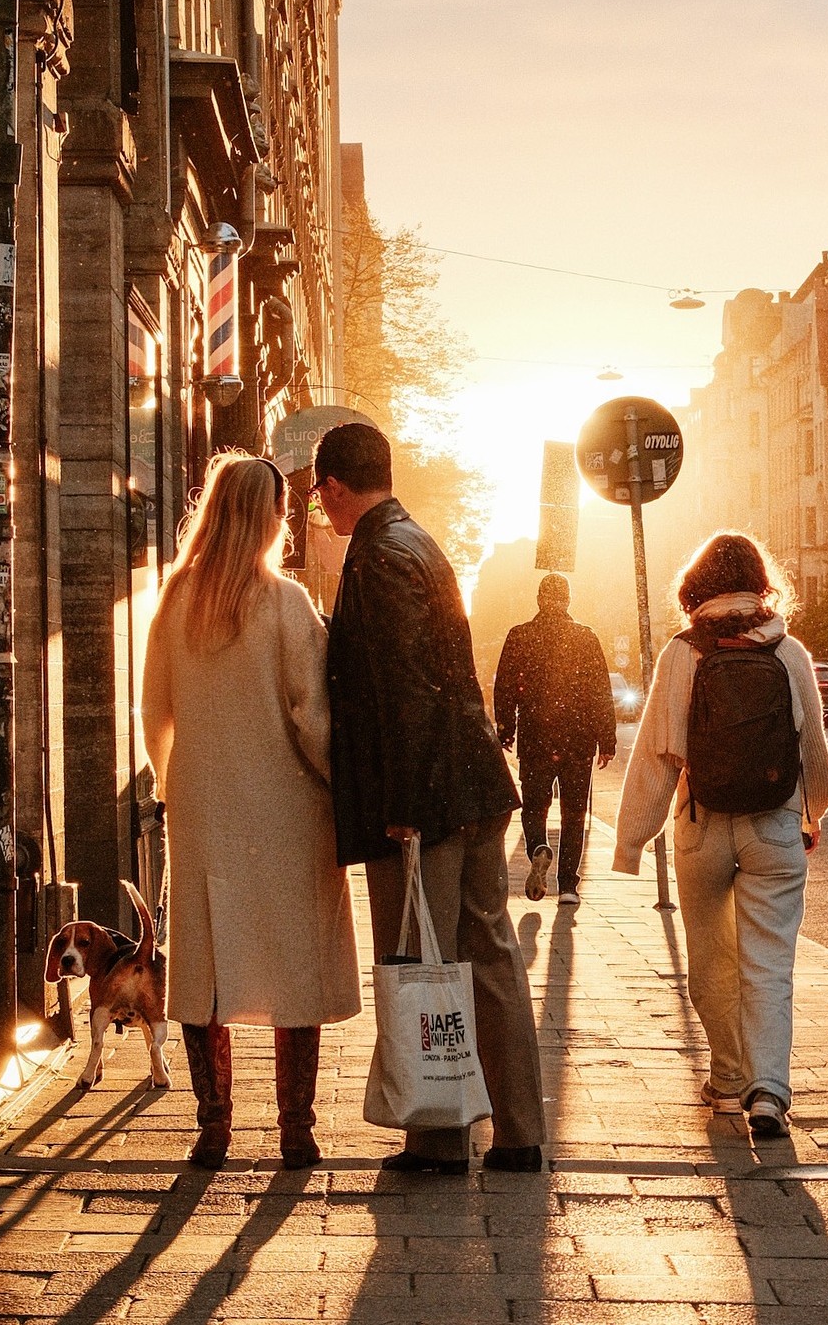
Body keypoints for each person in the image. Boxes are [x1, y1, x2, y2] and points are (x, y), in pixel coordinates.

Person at [313, 420, 546, 1174]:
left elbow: (406, 686)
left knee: (425, 955)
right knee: (490, 952)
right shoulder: (417, 539)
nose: (323, 508)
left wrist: (406, 798)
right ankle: (518, 1130)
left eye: (322, 494)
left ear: (337, 486)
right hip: (473, 777)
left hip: (430, 791)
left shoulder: (377, 556)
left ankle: (441, 1135)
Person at [142, 453, 361, 1171]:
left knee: (206, 962)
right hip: (289, 809)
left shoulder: (175, 600)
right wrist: (345, 786)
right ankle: (296, 1128)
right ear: (264, 517)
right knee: (293, 959)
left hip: (203, 806)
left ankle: (214, 1127)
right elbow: (313, 718)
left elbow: (155, 713)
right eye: (280, 509)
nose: (287, 520)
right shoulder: (286, 603)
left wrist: (178, 785)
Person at [613, 533, 828, 1140]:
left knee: (710, 958)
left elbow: (659, 755)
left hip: (700, 825)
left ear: (698, 585)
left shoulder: (683, 652)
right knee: (769, 962)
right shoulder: (788, 651)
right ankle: (769, 1090)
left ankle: (729, 1075)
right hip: (774, 824)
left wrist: (632, 841)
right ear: (759, 583)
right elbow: (812, 748)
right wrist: (813, 810)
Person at [493, 573, 617, 908]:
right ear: (567, 600)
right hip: (578, 739)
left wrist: (506, 729)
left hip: (536, 737)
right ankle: (568, 886)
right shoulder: (585, 638)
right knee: (574, 814)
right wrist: (607, 739)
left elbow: (505, 686)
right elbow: (600, 692)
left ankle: (537, 848)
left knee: (535, 806)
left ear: (539, 599)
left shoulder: (520, 636)